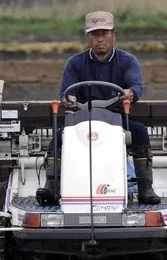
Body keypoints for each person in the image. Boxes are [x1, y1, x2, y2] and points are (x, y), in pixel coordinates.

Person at [37, 11, 160, 205]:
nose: (100, 38)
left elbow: (136, 87)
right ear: (88, 37)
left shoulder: (128, 61)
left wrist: (130, 93)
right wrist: (68, 99)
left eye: (104, 33)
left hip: (118, 120)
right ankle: (52, 186)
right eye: (95, 34)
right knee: (58, 138)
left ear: (114, 35)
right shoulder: (75, 63)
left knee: (139, 131)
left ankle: (145, 188)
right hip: (82, 120)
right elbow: (65, 93)